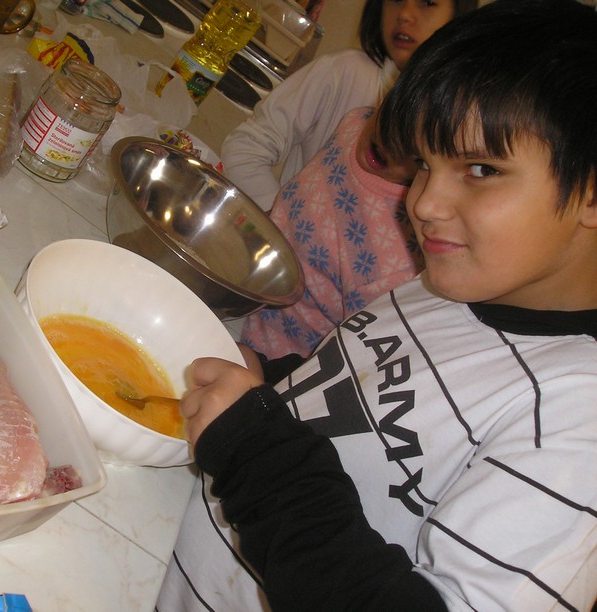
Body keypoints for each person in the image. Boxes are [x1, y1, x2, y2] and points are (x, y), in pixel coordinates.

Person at [156, 1, 597, 610]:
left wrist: (255, 449)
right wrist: (265, 381)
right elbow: (353, 398)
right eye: (425, 165)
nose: (423, 204)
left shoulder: (576, 422)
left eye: (480, 168)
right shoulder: (449, 282)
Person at [221, 0, 477, 212]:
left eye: (427, 3)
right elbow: (246, 147)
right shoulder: (345, 73)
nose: (405, 14)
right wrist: (280, 225)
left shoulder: (458, 127)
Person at [239, 106, 424, 359]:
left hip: (268, 357)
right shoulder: (354, 123)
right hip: (240, 283)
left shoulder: (402, 256)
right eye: (397, 112)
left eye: (416, 146)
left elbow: (350, 353)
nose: (392, 141)